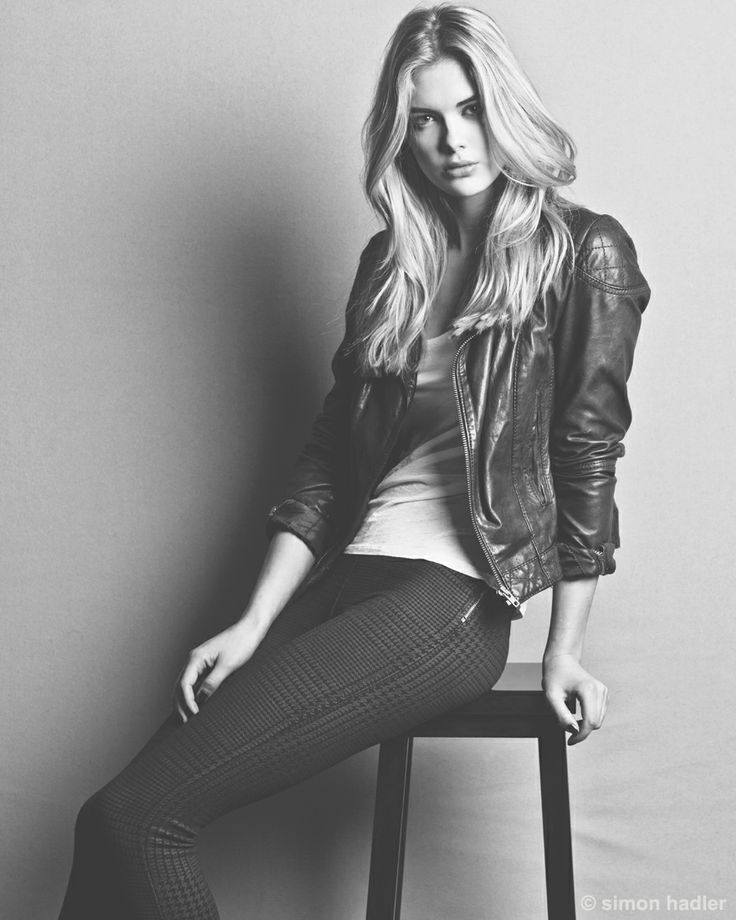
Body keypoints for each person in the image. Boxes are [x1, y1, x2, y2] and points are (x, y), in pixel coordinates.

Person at [57, 4, 650, 918]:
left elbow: (588, 451)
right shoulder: (391, 265)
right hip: (348, 580)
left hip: (448, 600)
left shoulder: (582, 252)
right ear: (401, 135)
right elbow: (329, 462)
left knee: (145, 820)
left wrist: (564, 650)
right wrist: (253, 621)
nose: (454, 140)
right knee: (106, 820)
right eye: (427, 119)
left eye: (470, 110)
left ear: (504, 108)